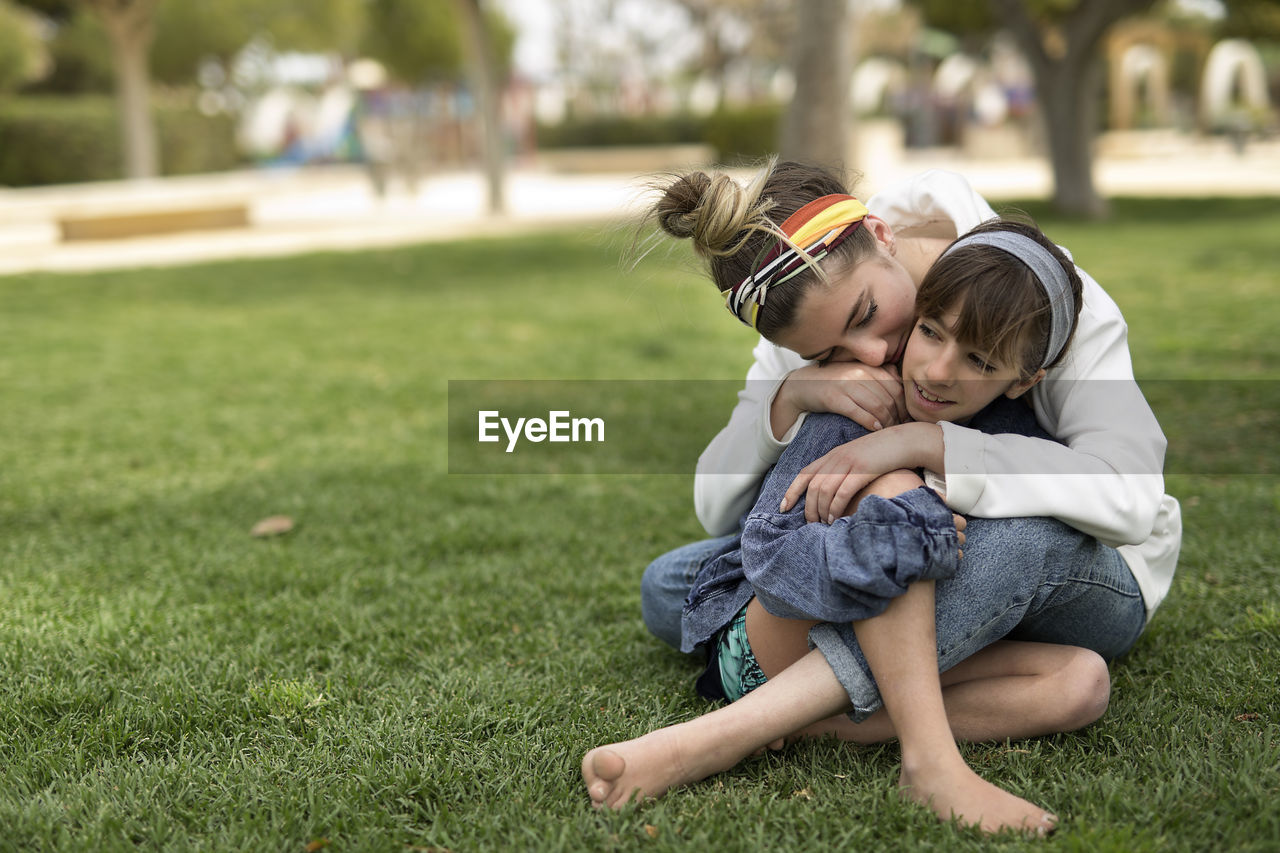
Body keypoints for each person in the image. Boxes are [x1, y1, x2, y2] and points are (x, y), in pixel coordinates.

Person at [586, 161, 1182, 832]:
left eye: (867, 316)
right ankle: (836, 715)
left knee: (978, 525)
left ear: (882, 233)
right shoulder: (811, 303)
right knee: (672, 584)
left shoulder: (1045, 302)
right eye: (833, 351)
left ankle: (748, 731)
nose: (870, 355)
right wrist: (794, 394)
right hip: (935, 555)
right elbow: (714, 504)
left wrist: (927, 447)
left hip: (1075, 569)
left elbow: (1130, 498)